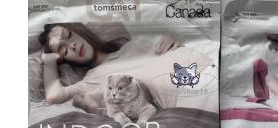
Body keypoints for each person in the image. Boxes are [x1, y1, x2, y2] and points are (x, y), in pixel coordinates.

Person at [38, 23, 183, 104]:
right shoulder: (93, 79)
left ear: (78, 30)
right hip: (184, 95)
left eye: (69, 35)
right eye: (63, 49)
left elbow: (177, 43)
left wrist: (175, 39)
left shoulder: (135, 43)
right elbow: (54, 96)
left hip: (192, 66)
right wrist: (49, 61)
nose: (72, 45)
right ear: (63, 59)